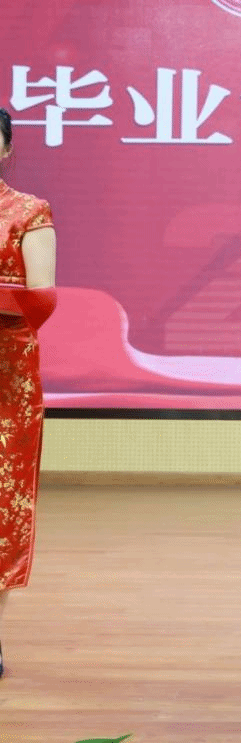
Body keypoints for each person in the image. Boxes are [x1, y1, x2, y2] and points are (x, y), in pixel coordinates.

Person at [0, 107, 58, 679]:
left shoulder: (27, 211)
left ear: (6, 148)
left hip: (6, 375)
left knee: (1, 501)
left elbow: (40, 299)